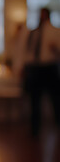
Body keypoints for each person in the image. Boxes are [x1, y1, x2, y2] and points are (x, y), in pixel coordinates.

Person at [24, 8, 60, 137]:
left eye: (43, 15)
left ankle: (57, 125)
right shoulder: (34, 32)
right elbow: (28, 52)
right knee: (35, 101)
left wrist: (55, 49)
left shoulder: (55, 31)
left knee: (55, 100)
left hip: (49, 68)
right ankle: (34, 131)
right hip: (36, 68)